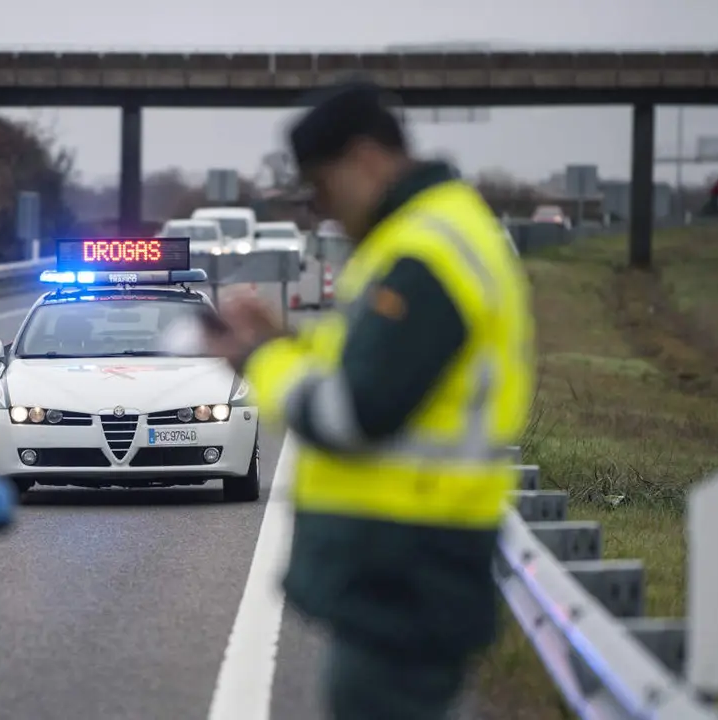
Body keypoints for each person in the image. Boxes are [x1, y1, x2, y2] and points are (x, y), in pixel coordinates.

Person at [201, 77, 536, 719]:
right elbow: (373, 365)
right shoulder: (423, 237)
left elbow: (355, 412)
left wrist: (260, 361)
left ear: (365, 159)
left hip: (408, 572)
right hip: (407, 570)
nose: (324, 212)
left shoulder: (426, 251)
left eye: (323, 188)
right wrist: (287, 341)